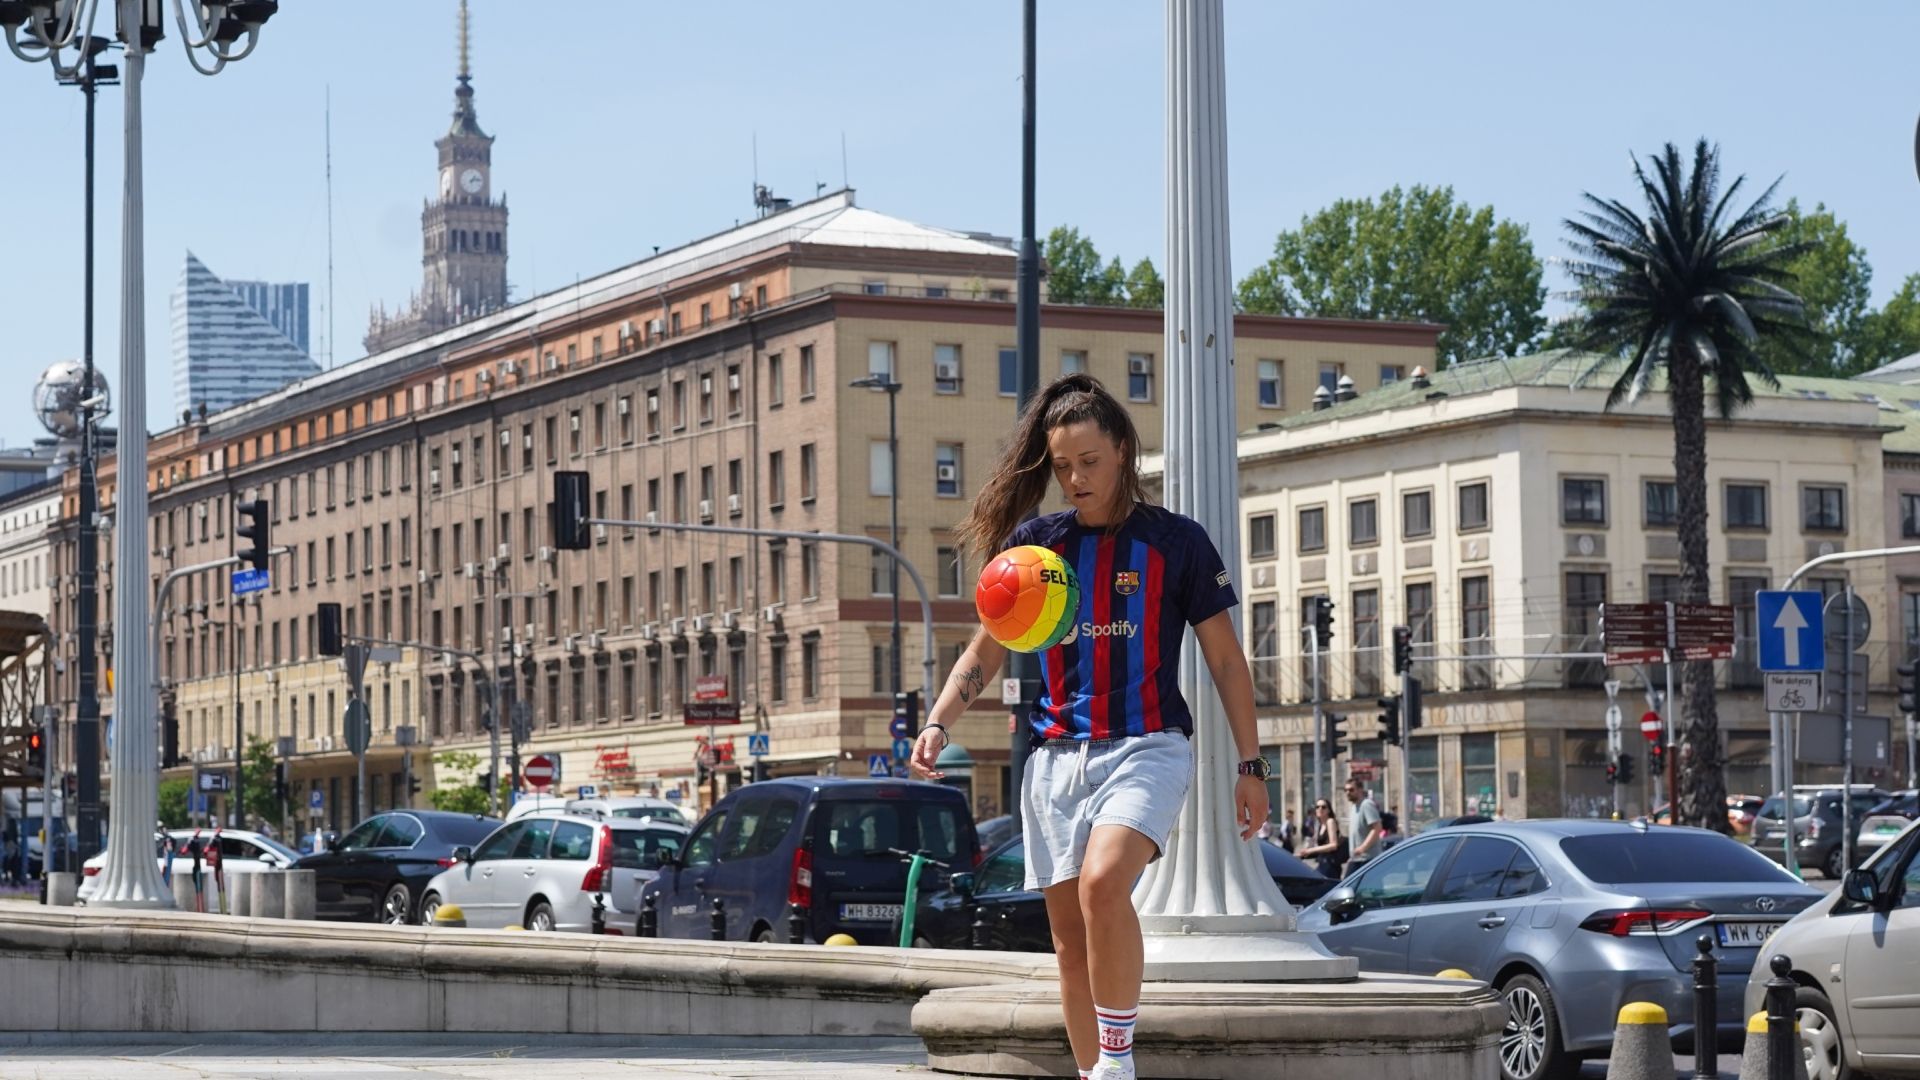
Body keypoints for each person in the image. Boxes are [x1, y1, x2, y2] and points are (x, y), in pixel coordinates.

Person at [910, 374, 1268, 1080]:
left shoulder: (1177, 542)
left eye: (1090, 462)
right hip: (1055, 760)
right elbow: (987, 647)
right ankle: (1094, 1075)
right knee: (1070, 944)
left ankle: (1116, 1061)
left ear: (1124, 451)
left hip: (1148, 747)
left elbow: (1226, 661)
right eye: (1062, 467)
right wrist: (939, 721)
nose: (1075, 479)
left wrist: (1250, 766)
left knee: (1104, 884)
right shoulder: (1038, 548)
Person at [1296, 798, 1345, 879]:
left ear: (1329, 810)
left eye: (1323, 807)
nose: (1320, 809)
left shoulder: (1330, 821)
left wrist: (1311, 850)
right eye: (1317, 807)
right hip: (1323, 862)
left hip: (1331, 865)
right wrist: (1304, 853)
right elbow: (1320, 847)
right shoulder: (1320, 825)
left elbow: (1333, 845)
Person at [1344, 779, 1383, 876]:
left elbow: (1377, 828)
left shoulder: (1366, 804)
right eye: (1346, 790)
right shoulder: (1354, 807)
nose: (1348, 793)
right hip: (1356, 859)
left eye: (1351, 790)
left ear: (1360, 790)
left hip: (1368, 859)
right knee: (1348, 888)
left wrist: (1362, 848)